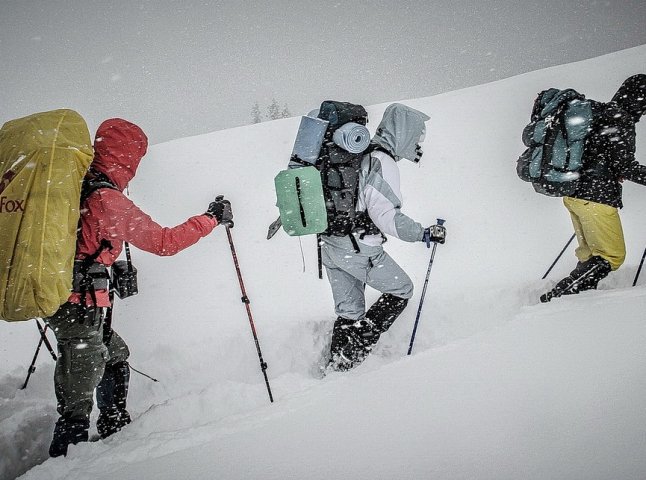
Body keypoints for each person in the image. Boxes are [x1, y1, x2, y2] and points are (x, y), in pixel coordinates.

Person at [45, 118, 234, 457]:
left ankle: (115, 427)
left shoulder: (78, 185)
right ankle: (65, 460)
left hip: (70, 299)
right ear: (128, 156)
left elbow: (79, 240)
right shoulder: (104, 196)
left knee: (115, 356)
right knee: (77, 398)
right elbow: (164, 242)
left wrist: (108, 262)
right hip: (78, 305)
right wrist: (211, 219)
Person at [322, 103, 446, 372]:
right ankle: (352, 355)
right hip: (358, 248)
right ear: (402, 133)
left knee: (349, 310)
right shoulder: (382, 161)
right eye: (417, 134)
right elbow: (386, 216)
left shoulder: (355, 155)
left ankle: (335, 367)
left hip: (330, 243)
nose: (419, 142)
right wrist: (421, 233)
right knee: (402, 289)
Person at [541, 74, 646, 302]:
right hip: (596, 200)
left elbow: (596, 156)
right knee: (611, 256)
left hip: (575, 195)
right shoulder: (621, 120)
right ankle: (558, 298)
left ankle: (576, 301)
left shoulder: (598, 114)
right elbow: (626, 166)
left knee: (591, 255)